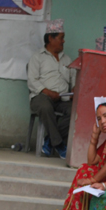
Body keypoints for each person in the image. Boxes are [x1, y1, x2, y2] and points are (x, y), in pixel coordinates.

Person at [60, 102, 106, 210]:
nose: (102, 121)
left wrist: (92, 180)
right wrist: (94, 137)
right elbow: (92, 160)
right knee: (85, 168)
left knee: (85, 171)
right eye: (99, 119)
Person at [27, 19, 75, 158]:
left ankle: (49, 140)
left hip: (63, 99)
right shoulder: (37, 57)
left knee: (75, 111)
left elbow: (74, 81)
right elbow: (32, 81)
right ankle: (59, 145)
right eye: (61, 38)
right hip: (41, 96)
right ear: (50, 38)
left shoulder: (67, 59)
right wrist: (48, 92)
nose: (63, 41)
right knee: (45, 107)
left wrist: (74, 90)